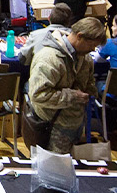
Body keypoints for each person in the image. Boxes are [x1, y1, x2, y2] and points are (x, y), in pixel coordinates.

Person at [25, 18, 105, 154]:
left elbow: (89, 82)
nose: (93, 49)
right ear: (79, 36)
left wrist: (90, 92)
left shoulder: (85, 58)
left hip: (76, 124)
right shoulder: (49, 58)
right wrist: (73, 96)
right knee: (54, 171)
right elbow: (38, 95)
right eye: (92, 45)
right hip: (53, 127)